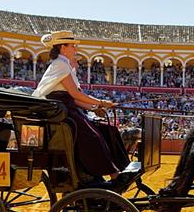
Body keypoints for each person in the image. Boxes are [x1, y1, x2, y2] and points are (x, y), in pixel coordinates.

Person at [34, 30, 128, 182]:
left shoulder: (63, 65)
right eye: (72, 46)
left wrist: (94, 108)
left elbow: (74, 98)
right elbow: (75, 95)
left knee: (104, 131)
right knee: (93, 137)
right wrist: (101, 103)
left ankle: (114, 170)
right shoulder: (60, 65)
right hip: (63, 112)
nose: (75, 49)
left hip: (67, 109)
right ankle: (112, 174)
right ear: (63, 47)